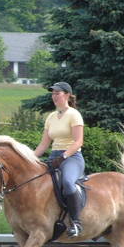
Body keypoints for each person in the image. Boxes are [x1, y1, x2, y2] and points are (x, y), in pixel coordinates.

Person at [33, 81, 85, 237]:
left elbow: (78, 142)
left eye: (57, 93)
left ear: (67, 95)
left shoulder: (74, 114)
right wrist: (29, 158)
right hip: (54, 156)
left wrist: (63, 156)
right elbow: (44, 144)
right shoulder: (51, 117)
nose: (54, 96)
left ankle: (76, 223)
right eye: (53, 94)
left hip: (72, 157)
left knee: (68, 183)